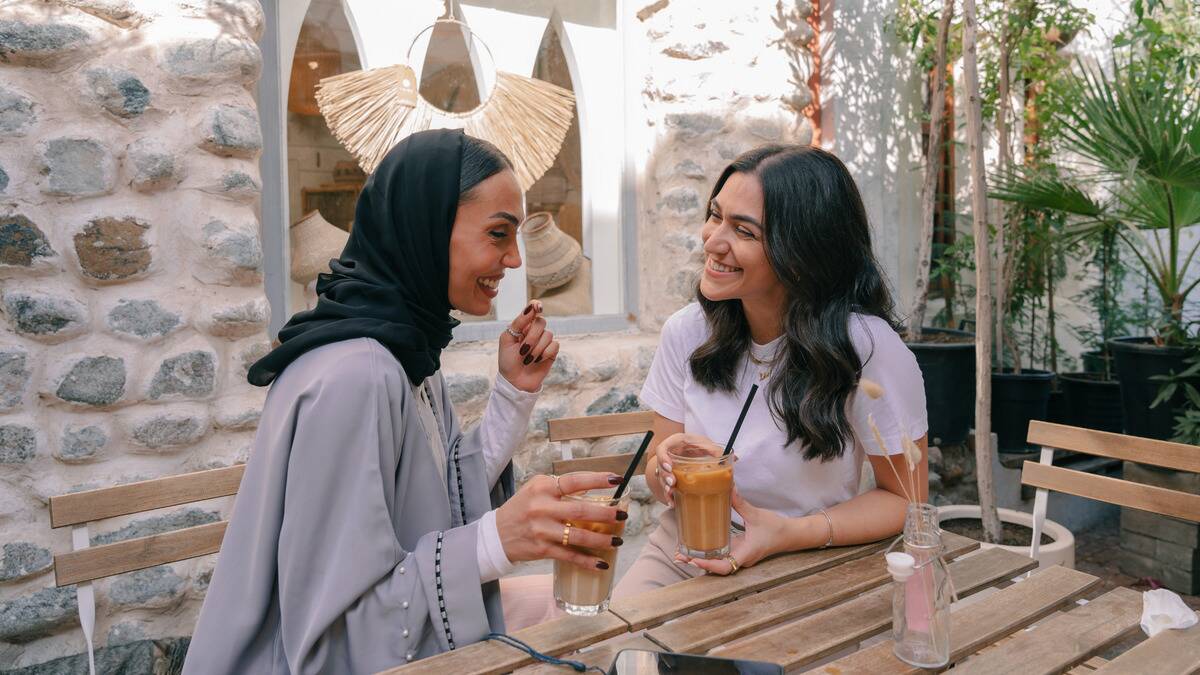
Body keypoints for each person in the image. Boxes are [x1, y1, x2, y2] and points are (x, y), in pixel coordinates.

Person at [185, 129, 626, 674]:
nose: (514, 260)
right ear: (428, 228)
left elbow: (435, 494)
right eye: (497, 234)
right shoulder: (357, 375)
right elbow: (343, 632)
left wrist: (513, 394)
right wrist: (498, 537)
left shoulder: (402, 349)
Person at [613, 144, 928, 596]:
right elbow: (658, 474)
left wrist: (785, 533)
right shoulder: (687, 332)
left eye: (743, 231)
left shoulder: (868, 348)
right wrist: (666, 468)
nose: (712, 240)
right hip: (684, 553)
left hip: (805, 562)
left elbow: (906, 501)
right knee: (618, 659)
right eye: (715, 215)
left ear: (802, 253)